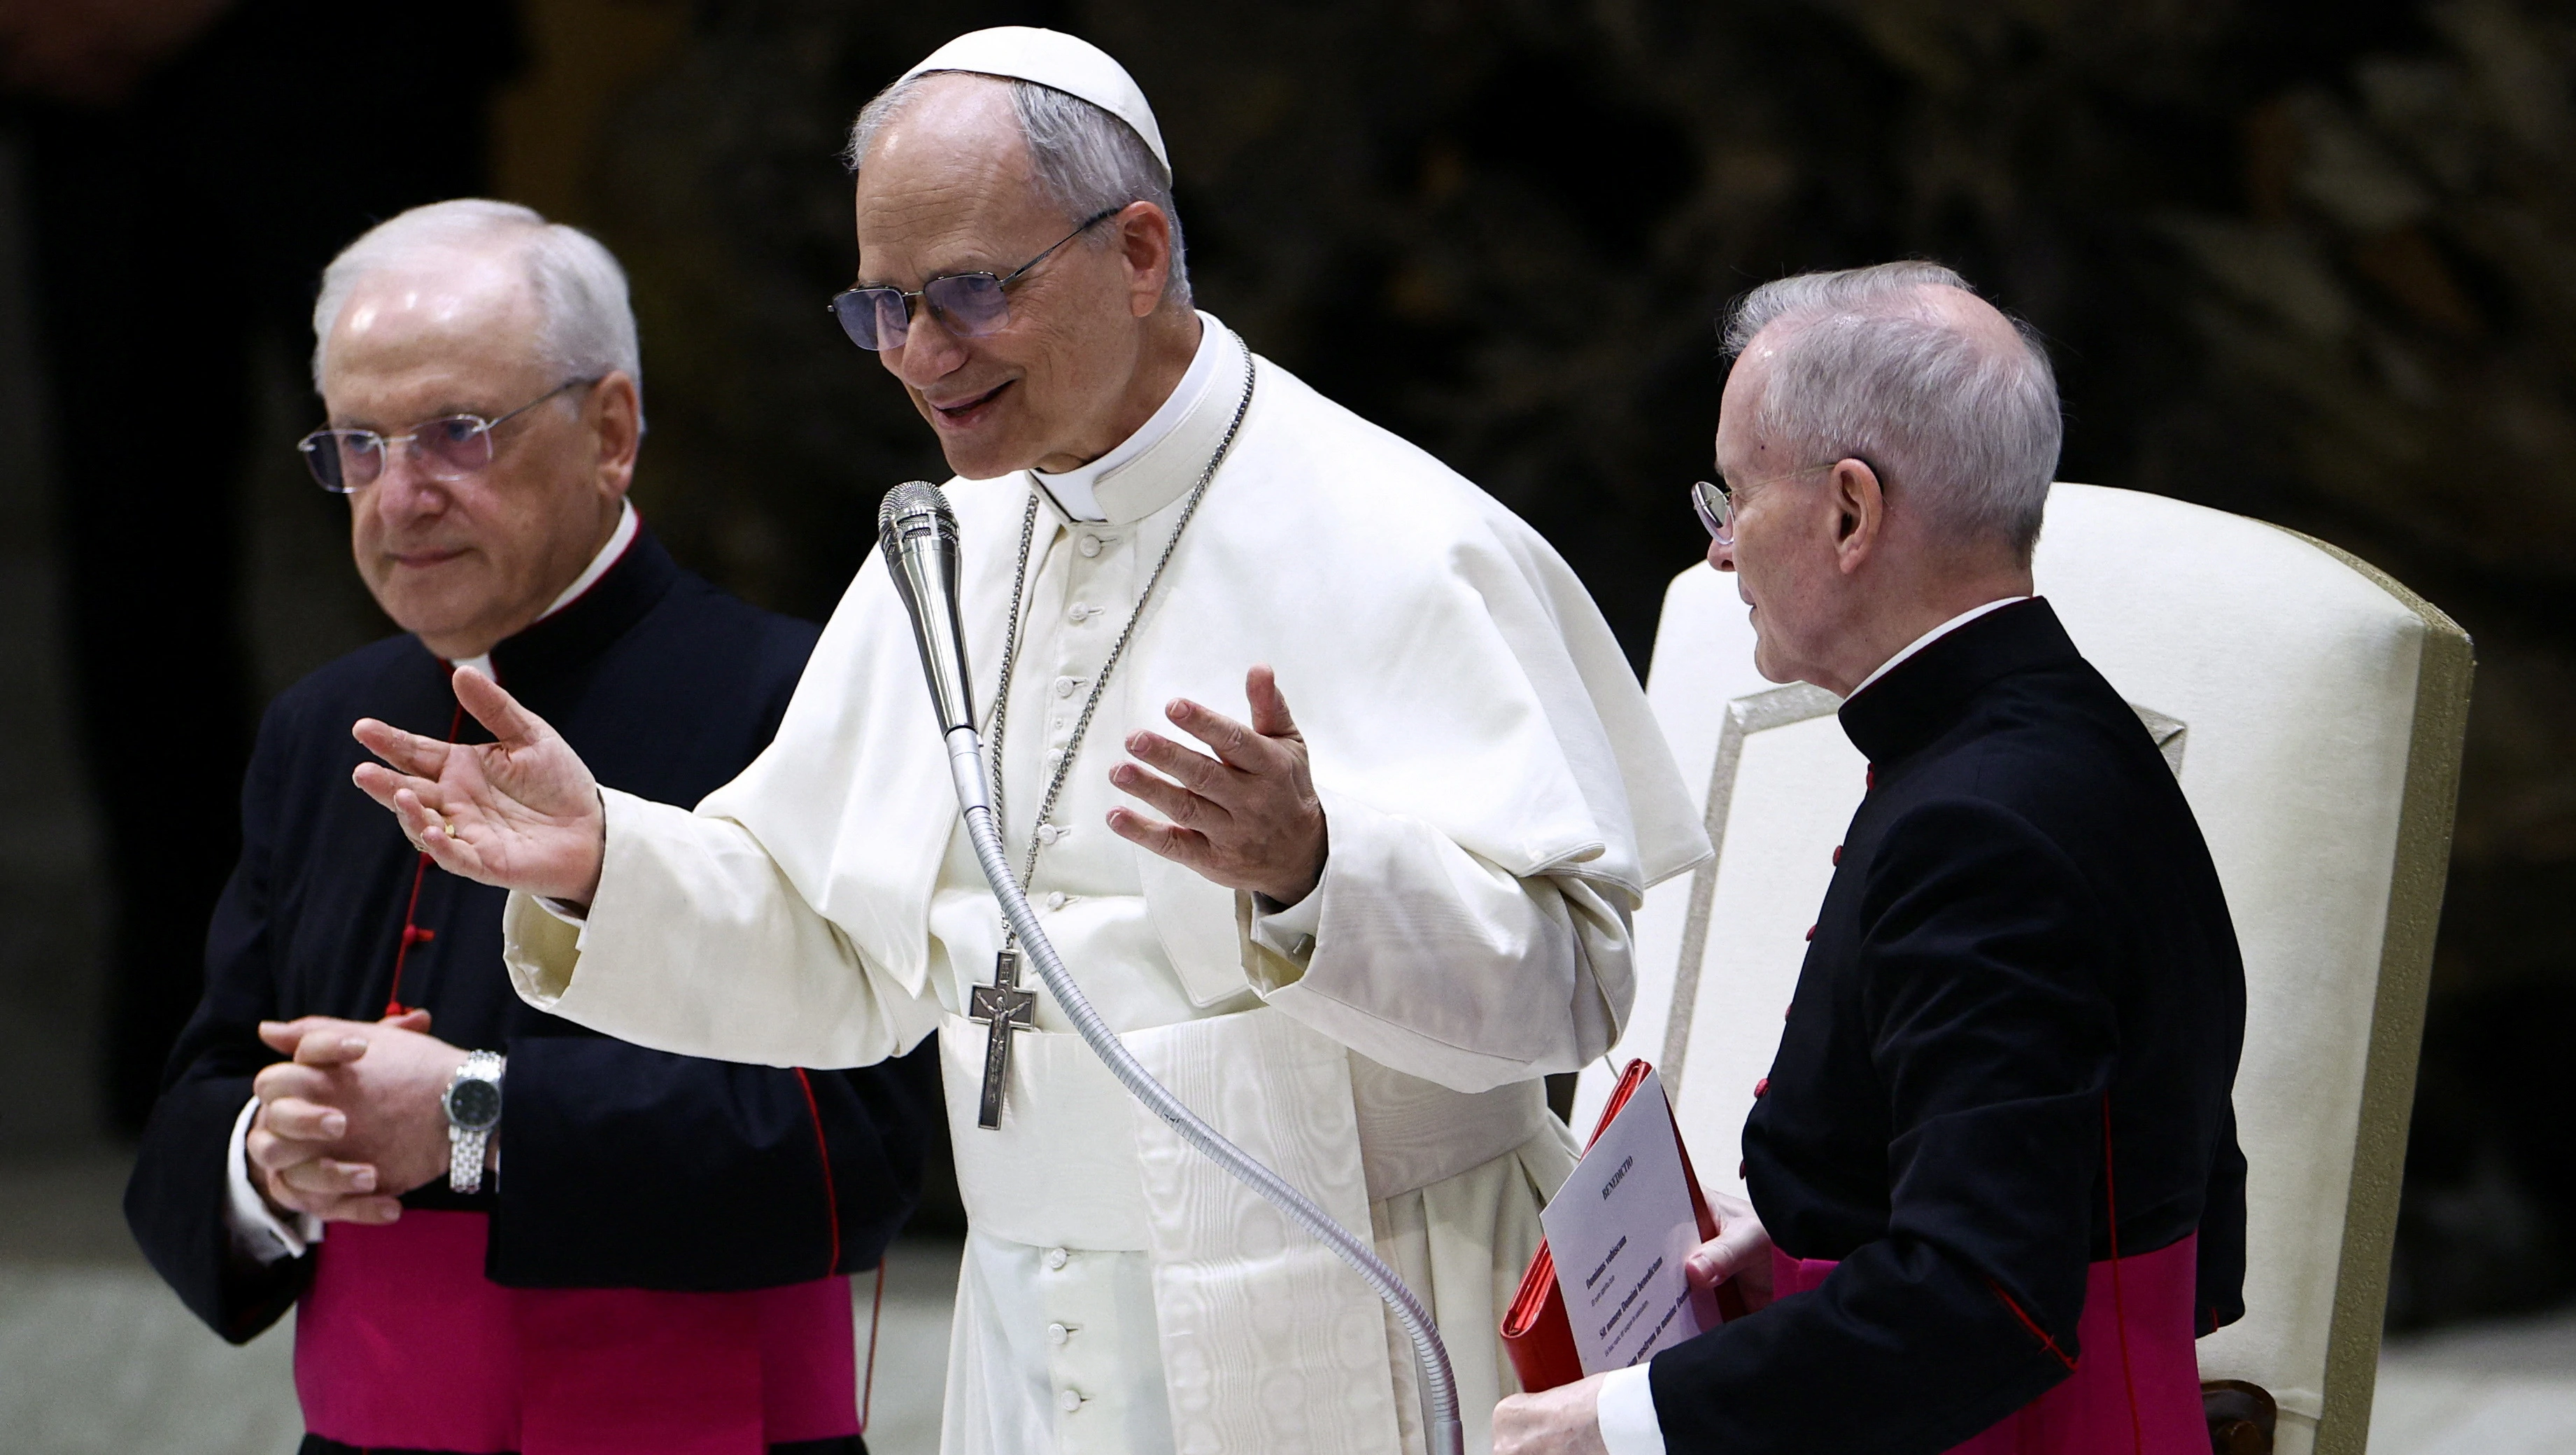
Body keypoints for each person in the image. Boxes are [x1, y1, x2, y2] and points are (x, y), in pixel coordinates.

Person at [348, 27, 1709, 1455]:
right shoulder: (948, 544)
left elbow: (1583, 977)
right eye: (882, 306)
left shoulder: (1404, 540)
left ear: (1136, 252)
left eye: (971, 293)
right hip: (1036, 1334)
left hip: (1354, 1297)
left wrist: (1319, 872)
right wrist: (606, 861)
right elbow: (844, 958)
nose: (921, 356)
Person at [124, 199, 940, 1455]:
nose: (399, 498)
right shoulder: (316, 729)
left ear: (610, 432)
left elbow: (866, 1139)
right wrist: (270, 1153)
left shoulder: (801, 700)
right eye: (358, 443)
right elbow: (196, 1096)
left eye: (456, 434)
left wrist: (473, 1120)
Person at [1494, 261, 2249, 1454]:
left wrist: (1637, 1418)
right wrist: (1820, 1241)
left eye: (1733, 497)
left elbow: (1987, 1298)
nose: (1719, 555)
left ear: (1850, 512)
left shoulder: (1981, 824)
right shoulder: (2064, 731)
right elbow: (2139, 1152)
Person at [1, 0, 523, 1132]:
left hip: (342, 60)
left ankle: (527, 995)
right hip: (86, 98)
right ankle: (192, 1047)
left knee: (461, 504)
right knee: (130, 554)